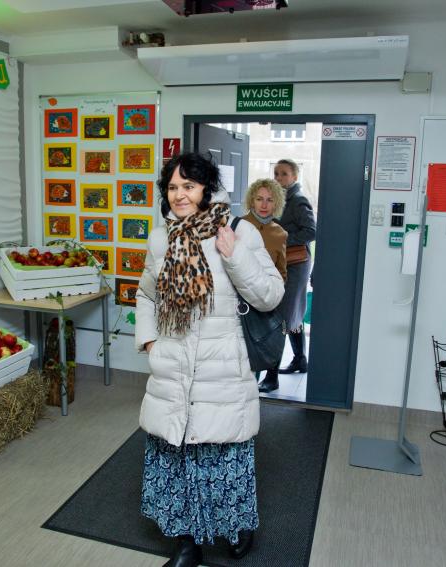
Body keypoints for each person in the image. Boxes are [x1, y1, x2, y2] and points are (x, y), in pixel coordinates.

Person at [135, 153, 285, 567]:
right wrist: (150, 341)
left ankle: (238, 525)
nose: (179, 195)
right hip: (174, 368)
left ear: (207, 188)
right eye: (172, 187)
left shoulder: (238, 230)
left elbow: (270, 295)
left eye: (189, 186)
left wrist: (235, 256)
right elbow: (146, 294)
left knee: (223, 459)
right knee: (177, 458)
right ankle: (187, 544)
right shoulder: (160, 238)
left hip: (223, 369)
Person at [240, 178, 288, 393]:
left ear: (276, 203)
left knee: (259, 346)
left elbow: (281, 271)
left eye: (269, 200)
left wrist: (272, 296)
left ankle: (258, 390)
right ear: (252, 200)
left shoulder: (280, 233)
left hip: (264, 300)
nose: (264, 204)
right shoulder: (237, 226)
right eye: (259, 199)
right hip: (238, 300)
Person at [274, 158, 316, 374]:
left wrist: (281, 240)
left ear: (295, 177)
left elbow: (311, 231)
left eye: (284, 174)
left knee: (287, 313)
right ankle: (300, 359)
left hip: (296, 263)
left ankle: (273, 372)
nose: (279, 178)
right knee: (292, 313)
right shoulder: (278, 199)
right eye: (276, 173)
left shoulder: (298, 200)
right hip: (283, 262)